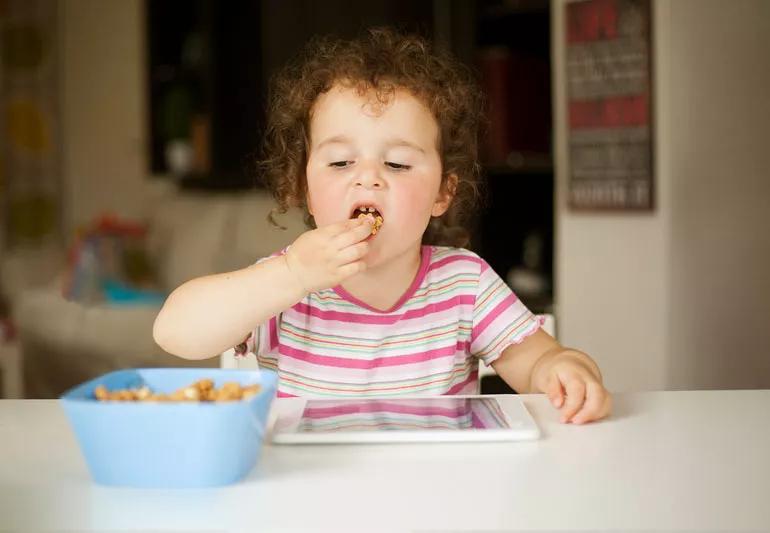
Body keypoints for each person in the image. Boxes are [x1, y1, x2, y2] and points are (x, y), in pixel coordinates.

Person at [153, 28, 611, 425]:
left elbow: (535, 363)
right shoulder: (286, 286)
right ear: (306, 190)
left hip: (437, 484)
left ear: (441, 194)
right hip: (315, 489)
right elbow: (174, 331)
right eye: (340, 161)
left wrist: (562, 367)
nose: (368, 175)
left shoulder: (464, 284)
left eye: (396, 163)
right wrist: (291, 275)